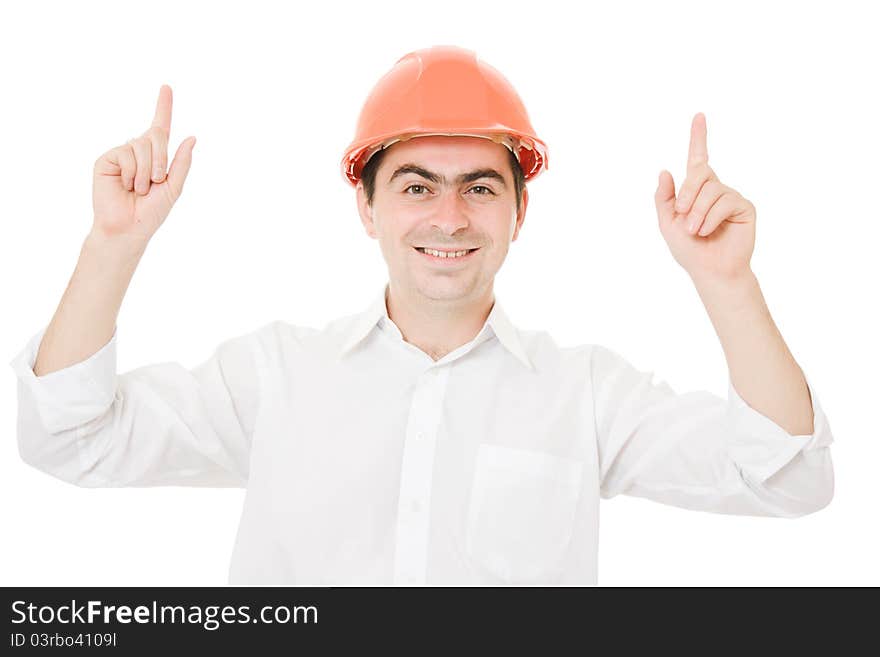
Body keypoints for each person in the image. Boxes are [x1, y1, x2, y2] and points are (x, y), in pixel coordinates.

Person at [9, 45, 834, 585]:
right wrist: (112, 244)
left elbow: (787, 476)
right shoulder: (273, 377)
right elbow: (70, 439)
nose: (449, 217)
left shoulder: (585, 392)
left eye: (480, 186)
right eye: (415, 186)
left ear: (519, 213)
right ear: (366, 209)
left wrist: (728, 283)